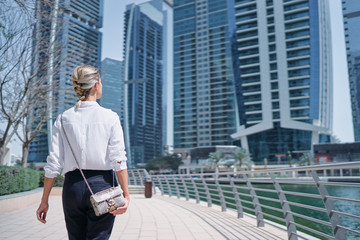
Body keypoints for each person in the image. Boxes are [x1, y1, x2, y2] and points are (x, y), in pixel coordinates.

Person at [36, 65, 129, 240]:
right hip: (103, 186)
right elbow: (118, 159)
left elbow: (53, 163)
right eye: (100, 82)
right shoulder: (110, 117)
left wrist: (44, 200)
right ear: (96, 85)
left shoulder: (63, 119)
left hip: (72, 187)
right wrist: (126, 194)